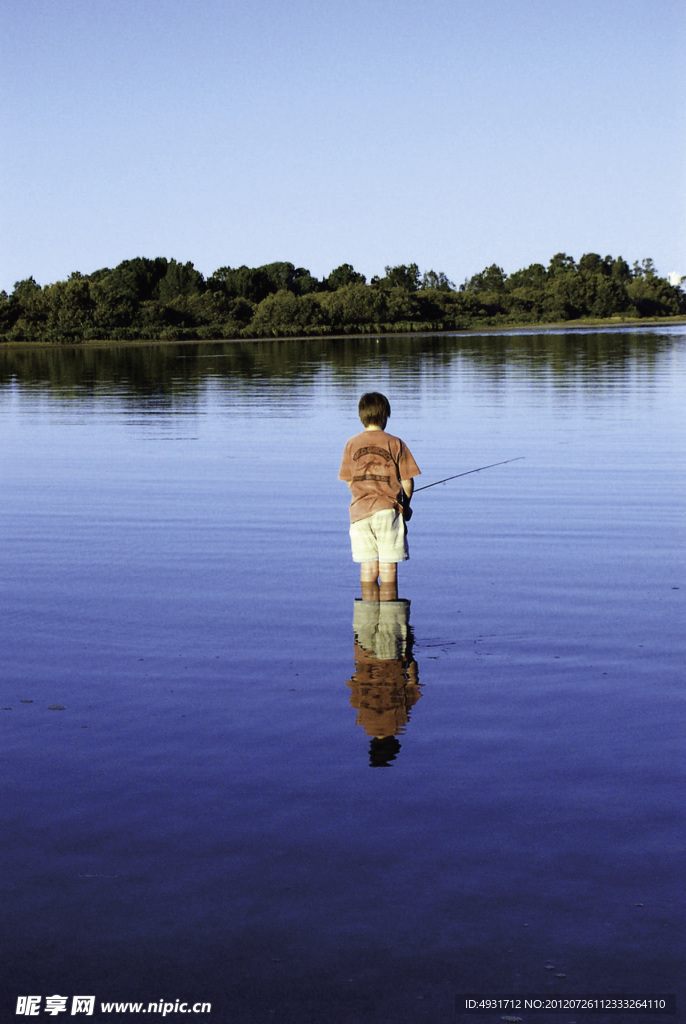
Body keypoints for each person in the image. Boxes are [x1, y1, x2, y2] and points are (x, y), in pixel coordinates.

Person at [338, 392, 420, 592]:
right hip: (387, 511)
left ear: (361, 416)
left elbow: (349, 480)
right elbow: (408, 482)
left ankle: (366, 619)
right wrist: (405, 506)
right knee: (388, 568)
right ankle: (390, 619)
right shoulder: (396, 443)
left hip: (359, 513)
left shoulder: (351, 443)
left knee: (368, 567)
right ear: (386, 416)